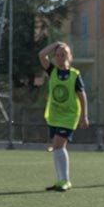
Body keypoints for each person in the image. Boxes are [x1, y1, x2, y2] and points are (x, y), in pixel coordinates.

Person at [37, 40, 89, 192]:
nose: (60, 57)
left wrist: (84, 116)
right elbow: (41, 55)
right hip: (54, 115)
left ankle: (65, 181)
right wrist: (55, 44)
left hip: (69, 115)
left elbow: (82, 96)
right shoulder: (52, 70)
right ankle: (60, 181)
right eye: (57, 55)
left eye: (63, 54)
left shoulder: (74, 75)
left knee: (58, 145)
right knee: (57, 147)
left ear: (69, 56)